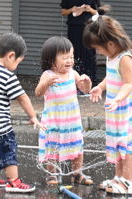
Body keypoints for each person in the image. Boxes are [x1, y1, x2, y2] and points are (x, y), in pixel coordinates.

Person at [83, 15, 132, 195]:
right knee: (118, 144)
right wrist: (100, 87)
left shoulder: (125, 58)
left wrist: (118, 99)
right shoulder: (113, 56)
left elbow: (129, 83)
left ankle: (128, 183)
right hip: (118, 109)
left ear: (110, 43)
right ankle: (118, 178)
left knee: (129, 147)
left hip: (131, 109)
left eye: (98, 48)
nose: (98, 52)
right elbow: (112, 77)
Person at [0, 32, 45, 193]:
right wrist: (33, 117)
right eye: (18, 61)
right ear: (11, 55)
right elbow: (23, 98)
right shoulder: (7, 76)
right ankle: (13, 182)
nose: (17, 66)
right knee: (8, 151)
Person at [35, 36, 93, 185]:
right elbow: (38, 93)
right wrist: (46, 84)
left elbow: (85, 90)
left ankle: (77, 173)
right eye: (65, 57)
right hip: (54, 120)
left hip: (72, 119)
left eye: (71, 57)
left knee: (77, 147)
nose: (69, 60)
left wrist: (87, 83)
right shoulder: (47, 75)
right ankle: (52, 174)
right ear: (51, 59)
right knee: (53, 147)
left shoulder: (72, 73)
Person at [60, 0, 108, 86]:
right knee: (74, 54)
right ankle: (75, 83)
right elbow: (63, 12)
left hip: (89, 29)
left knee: (89, 54)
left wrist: (89, 9)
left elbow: (98, 13)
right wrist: (71, 10)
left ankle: (91, 82)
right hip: (73, 28)